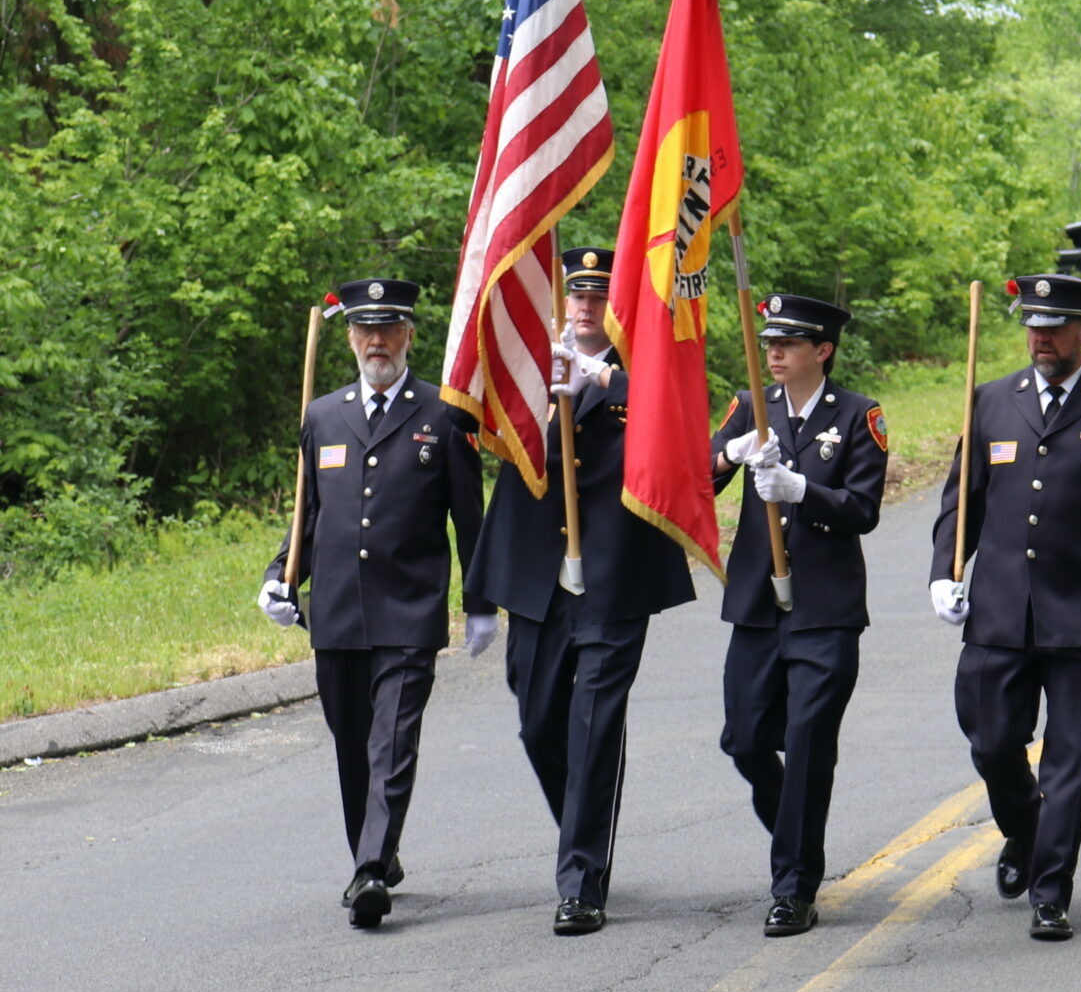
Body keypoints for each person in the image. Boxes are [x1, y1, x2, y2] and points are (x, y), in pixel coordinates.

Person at [930, 273, 1081, 942]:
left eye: (1055, 326)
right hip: (999, 614)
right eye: (1033, 325)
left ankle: (1051, 890)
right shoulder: (989, 402)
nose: (1041, 336)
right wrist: (943, 575)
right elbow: (963, 503)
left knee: (1072, 764)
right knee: (990, 740)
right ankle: (1026, 830)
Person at [466, 247, 697, 936]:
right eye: (577, 294)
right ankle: (583, 826)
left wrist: (601, 376)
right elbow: (478, 417)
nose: (587, 307)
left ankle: (581, 882)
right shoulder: (527, 366)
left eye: (600, 296)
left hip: (615, 572)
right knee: (539, 722)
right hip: (537, 574)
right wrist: (545, 389)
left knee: (595, 720)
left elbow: (676, 419)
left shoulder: (643, 370)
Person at [257, 278, 487, 929]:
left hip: (409, 610)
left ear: (410, 334)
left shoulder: (444, 413)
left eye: (389, 329)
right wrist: (282, 576)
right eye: (365, 330)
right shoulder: (322, 416)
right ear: (351, 338)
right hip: (336, 611)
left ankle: (368, 869)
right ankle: (376, 850)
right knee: (352, 743)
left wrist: (480, 600)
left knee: (391, 740)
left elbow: (469, 518)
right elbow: (307, 514)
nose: (376, 341)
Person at [710, 295, 887, 937]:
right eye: (770, 343)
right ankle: (800, 838)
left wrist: (802, 490)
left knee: (809, 744)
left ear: (824, 351)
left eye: (789, 343)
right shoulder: (750, 405)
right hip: (759, 605)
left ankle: (793, 887)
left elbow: (863, 508)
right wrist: (732, 456)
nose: (774, 353)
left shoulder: (859, 415)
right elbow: (697, 477)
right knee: (746, 738)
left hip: (825, 610)